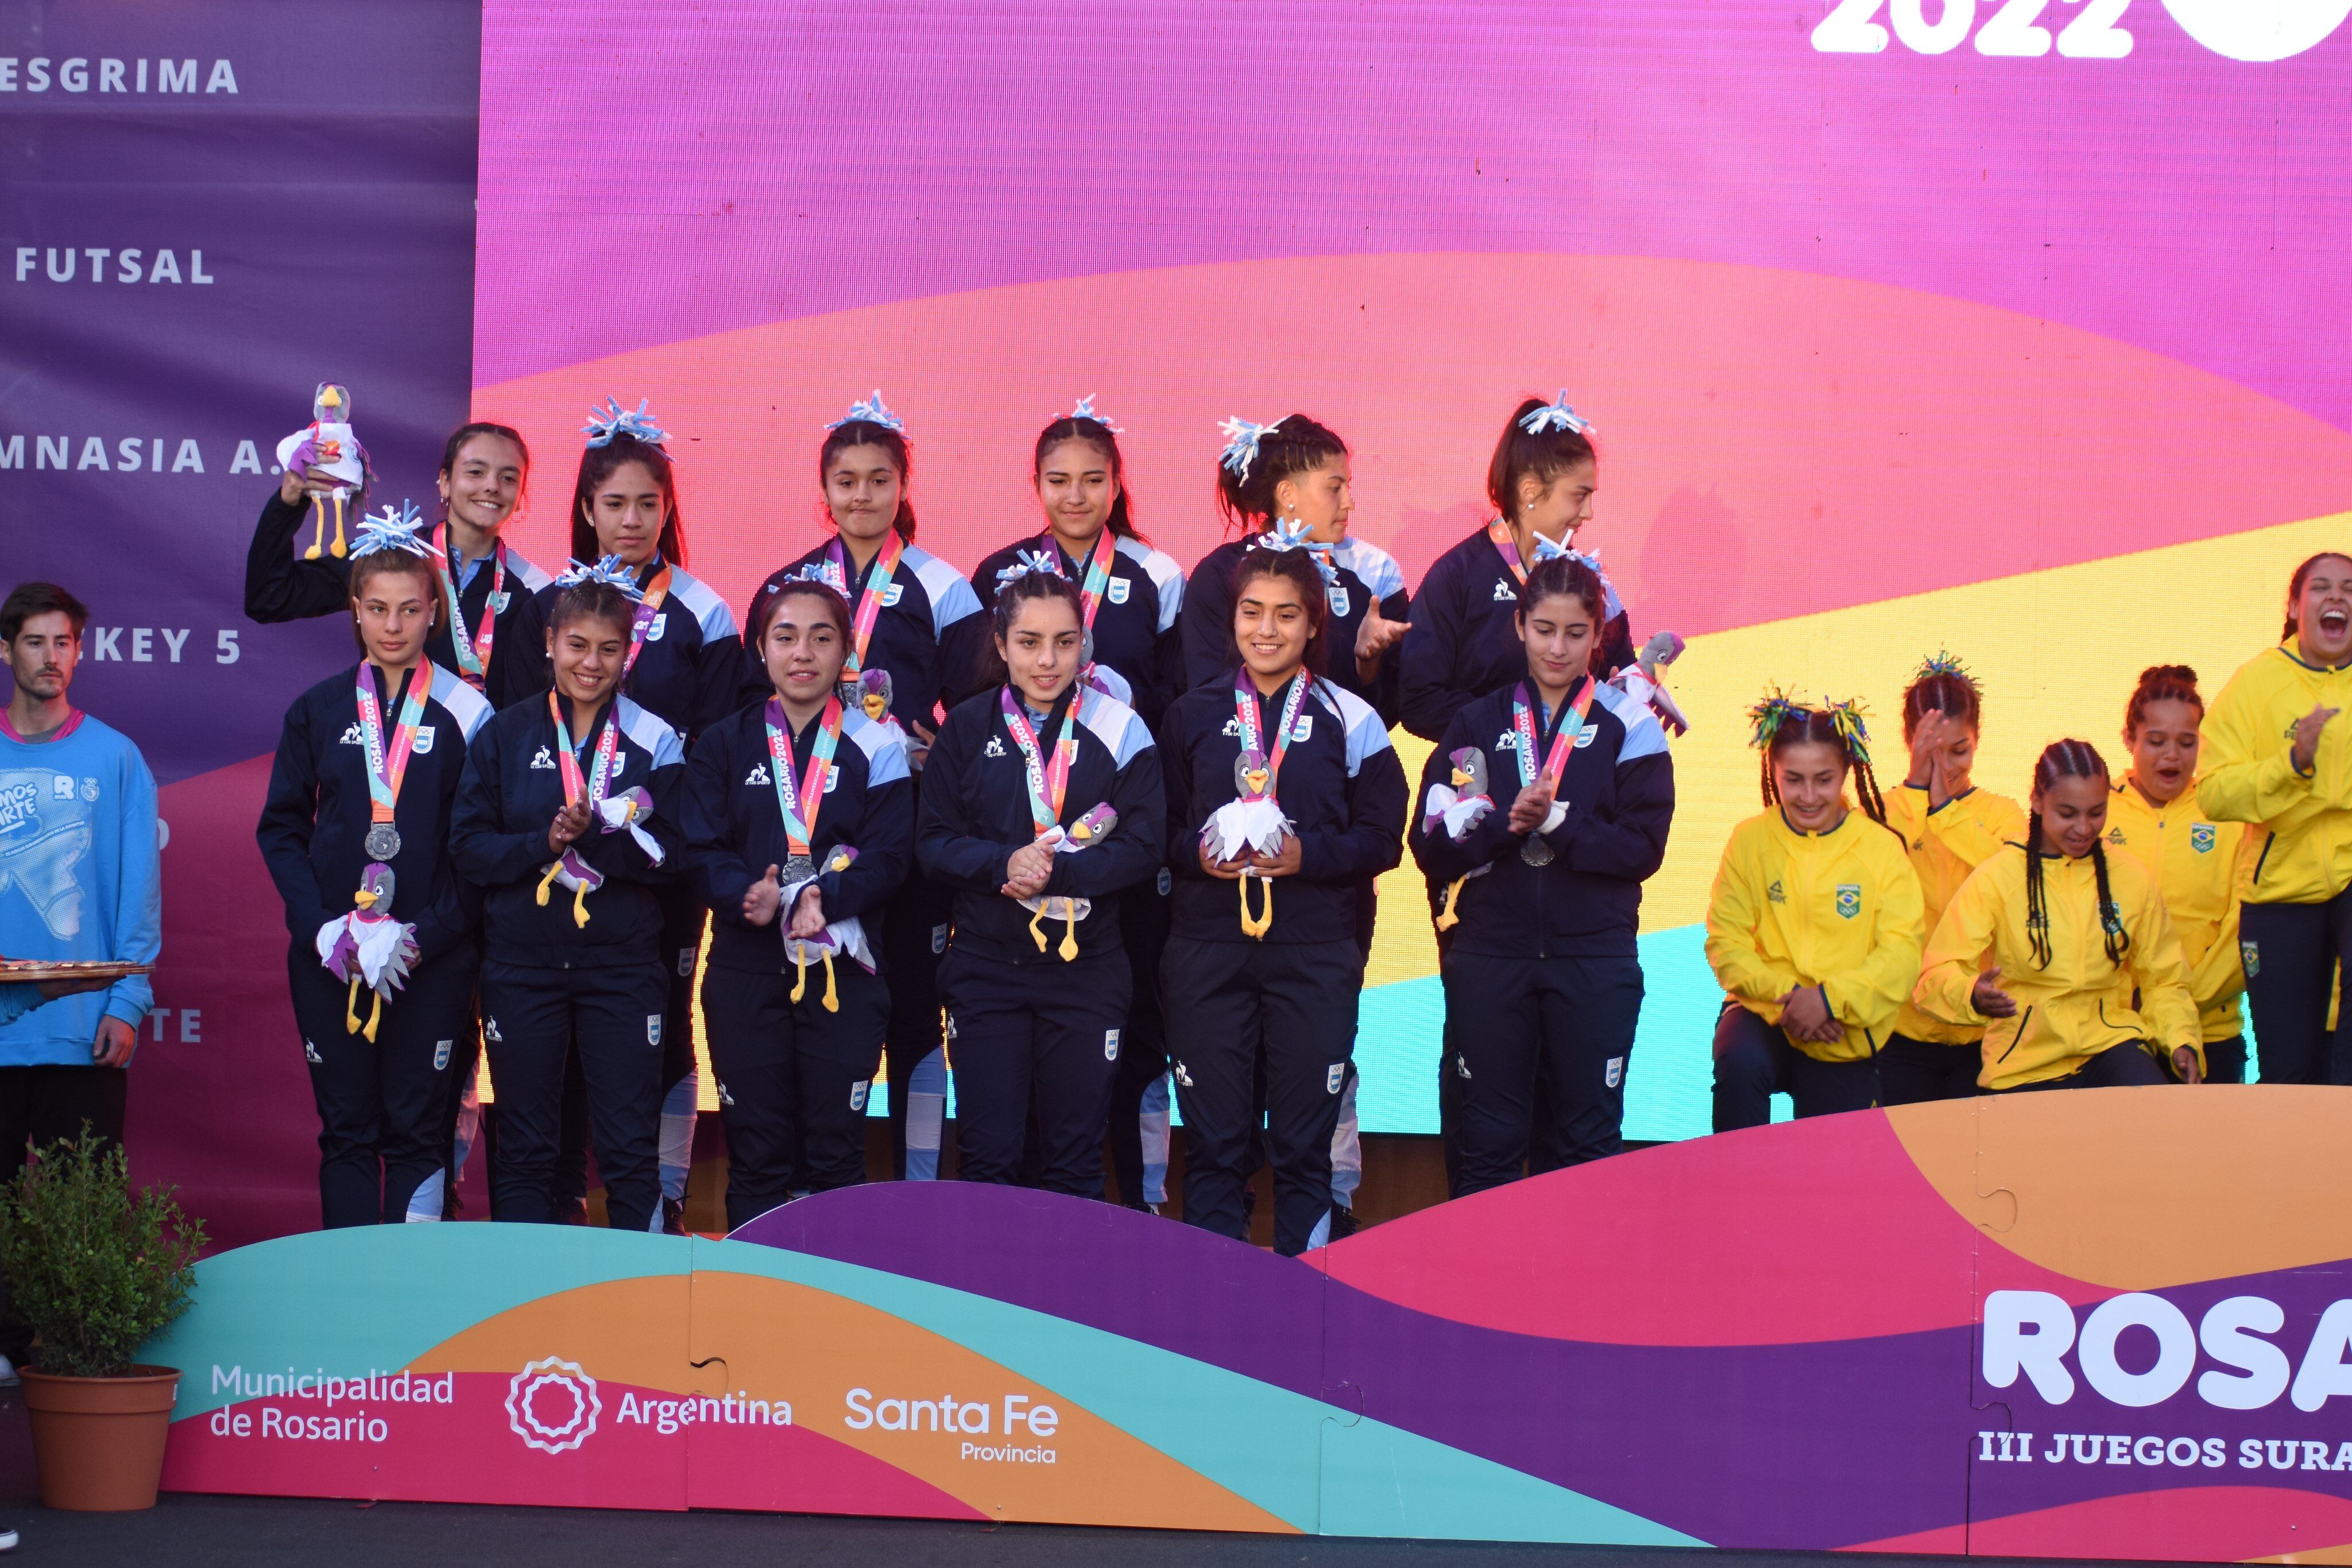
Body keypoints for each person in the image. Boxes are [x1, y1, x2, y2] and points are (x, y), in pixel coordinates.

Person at [506, 398, 757, 1229]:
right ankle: (559, 1200)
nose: (631, 519)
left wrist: (665, 830)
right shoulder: (546, 603)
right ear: (585, 508)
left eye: (648, 503)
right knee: (560, 1042)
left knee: (663, 1035)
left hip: (658, 867)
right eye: (614, 503)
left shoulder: (704, 611)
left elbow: (719, 747)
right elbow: (519, 732)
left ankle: (664, 1197)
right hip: (552, 863)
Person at [749, 393, 984, 1180]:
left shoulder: (944, 588)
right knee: (814, 1013)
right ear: (824, 491)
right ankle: (808, 1193)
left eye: (877, 480)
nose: (861, 496)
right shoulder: (789, 586)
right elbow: (753, 714)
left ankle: (918, 1190)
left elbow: (987, 716)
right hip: (806, 837)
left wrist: (941, 751)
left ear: (902, 484)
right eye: (845, 481)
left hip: (904, 837)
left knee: (918, 1010)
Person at [969, 402, 1186, 1211]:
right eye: (1058, 480)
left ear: (1117, 483)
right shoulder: (999, 572)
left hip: (1111, 828)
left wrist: (1115, 702)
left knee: (1124, 1025)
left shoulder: (1156, 574)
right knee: (1008, 1072)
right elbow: (975, 693)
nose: (1075, 495)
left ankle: (1132, 1207)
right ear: (1036, 484)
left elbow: (1180, 700)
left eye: (1093, 479)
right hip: (1014, 838)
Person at [1158, 548, 1406, 1255]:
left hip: (1314, 954)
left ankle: (1307, 1312)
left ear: (1313, 624)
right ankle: (1211, 1314)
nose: (1266, 630)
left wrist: (1310, 856)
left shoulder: (1350, 717)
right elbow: (1157, 829)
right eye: (1251, 611)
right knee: (1212, 1145)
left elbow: (1384, 836)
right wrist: (1194, 855)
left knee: (1303, 1149)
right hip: (1207, 952)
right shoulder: (1191, 714)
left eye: (1285, 615)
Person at [255, 505, 494, 1226]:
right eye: (378, 609)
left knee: (419, 1132)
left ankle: (413, 1303)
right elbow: (282, 829)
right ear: (355, 612)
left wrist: (423, 935)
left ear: (433, 613)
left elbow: (478, 849)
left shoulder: (468, 712)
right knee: (348, 1132)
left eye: (411, 610)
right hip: (335, 958)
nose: (394, 626)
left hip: (431, 958)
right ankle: (349, 1305)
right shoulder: (319, 709)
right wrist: (319, 929)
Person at [1408, 556, 1672, 1191]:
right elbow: (1429, 842)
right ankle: (1479, 1294)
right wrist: (1506, 826)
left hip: (1593, 959)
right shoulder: (1476, 723)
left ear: (1598, 634)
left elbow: (1643, 848)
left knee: (1585, 1145)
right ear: (1520, 625)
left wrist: (1559, 823)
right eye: (1544, 629)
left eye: (1575, 633)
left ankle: (1580, 1293)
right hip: (1492, 956)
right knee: (1490, 1143)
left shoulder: (1629, 726)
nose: (1558, 648)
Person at [451, 564, 686, 1231]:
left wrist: (601, 842)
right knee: (524, 1150)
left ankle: (646, 1309)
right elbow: (468, 849)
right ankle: (527, 1308)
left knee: (627, 1150)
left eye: (609, 648)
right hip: (522, 970)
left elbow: (677, 857)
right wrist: (544, 843)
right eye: (577, 645)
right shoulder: (504, 733)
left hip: (621, 971)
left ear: (628, 651)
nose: (592, 662)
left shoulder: (655, 738)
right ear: (550, 642)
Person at [916, 571, 1163, 1195]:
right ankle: (982, 1296)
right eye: (1028, 642)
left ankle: (1066, 1296)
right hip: (985, 968)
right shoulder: (967, 729)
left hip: (1086, 970)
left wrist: (1058, 870)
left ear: (1085, 644)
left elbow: (1144, 845)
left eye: (1064, 641)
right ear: (999, 644)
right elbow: (933, 843)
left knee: (1074, 1160)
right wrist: (1004, 864)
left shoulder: (1122, 727)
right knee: (990, 1157)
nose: (1047, 660)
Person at [684, 579, 912, 1228]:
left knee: (836, 1158)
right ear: (760, 648)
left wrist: (823, 894)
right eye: (785, 636)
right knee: (756, 1157)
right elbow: (699, 848)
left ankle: (831, 1318)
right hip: (745, 970)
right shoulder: (724, 743)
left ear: (847, 650)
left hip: (844, 973)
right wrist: (744, 895)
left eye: (822, 636)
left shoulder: (879, 744)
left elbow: (892, 856)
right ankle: (751, 1316)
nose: (803, 652)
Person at [0, 580, 161, 1383]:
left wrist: (128, 1001)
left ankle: (69, 1354)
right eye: (35, 641)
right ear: (7, 650)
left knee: (83, 1205)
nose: (52, 657)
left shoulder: (116, 757)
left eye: (65, 642)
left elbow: (138, 894)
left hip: (81, 1027)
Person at [1915, 740, 2202, 1091]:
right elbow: (1936, 975)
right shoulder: (1999, 877)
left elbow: (2166, 979)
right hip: (2023, 1063)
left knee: (2156, 1115)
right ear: (2037, 801)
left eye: (2096, 812)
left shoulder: (2129, 876)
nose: (2083, 828)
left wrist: (2181, 1040)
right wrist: (1972, 994)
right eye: (2068, 813)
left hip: (2111, 1046)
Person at [1705, 695, 1922, 1129]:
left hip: (1844, 1028)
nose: (1808, 796)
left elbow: (1901, 954)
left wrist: (1827, 1001)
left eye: (1823, 780)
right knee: (1740, 1064)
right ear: (1774, 773)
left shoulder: (1880, 847)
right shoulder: (1749, 840)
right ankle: (1734, 1190)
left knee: (1832, 1176)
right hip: (1764, 1011)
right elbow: (1726, 944)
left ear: (1845, 772)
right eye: (1793, 780)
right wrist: (1793, 1001)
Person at [246, 420, 551, 706]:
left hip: (482, 758)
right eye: (475, 472)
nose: (492, 486)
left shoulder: (534, 590)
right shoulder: (388, 555)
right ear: (445, 482)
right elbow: (270, 598)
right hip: (386, 751)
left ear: (521, 495)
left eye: (508, 478)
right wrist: (288, 502)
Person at [1399, 394, 1638, 745]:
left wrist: (1633, 690)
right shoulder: (1456, 576)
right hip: (1477, 785)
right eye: (1578, 495)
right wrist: (1516, 728)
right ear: (1530, 490)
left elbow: (1622, 674)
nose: (1589, 513)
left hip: (1570, 781)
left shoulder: (1589, 581)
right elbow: (1419, 701)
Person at [2198, 553, 2352, 1085]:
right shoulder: (2257, 683)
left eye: (2350, 589)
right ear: (2294, 606)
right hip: (2280, 892)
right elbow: (2214, 792)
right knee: (2290, 1071)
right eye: (2322, 588)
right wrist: (2291, 766)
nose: (2338, 598)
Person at [1177, 415, 1410, 723]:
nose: (1349, 503)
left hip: (1342, 762)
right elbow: (1205, 701)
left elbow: (1387, 716)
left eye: (1347, 487)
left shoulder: (1374, 575)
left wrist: (1367, 663)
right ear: (1287, 495)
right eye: (1335, 488)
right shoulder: (1219, 576)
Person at [1875, 653, 2025, 1104]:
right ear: (1909, 742)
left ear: (1978, 739)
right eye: (1932, 753)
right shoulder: (1880, 812)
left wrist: (1945, 811)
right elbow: (1877, 875)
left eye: (1959, 751)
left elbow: (2012, 881)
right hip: (1899, 1032)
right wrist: (1917, 796)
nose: (1949, 768)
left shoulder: (2004, 814)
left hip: (1985, 1032)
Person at [2106, 666, 2253, 1083]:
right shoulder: (2098, 810)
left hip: (2212, 1032)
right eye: (2156, 741)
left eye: (2187, 742)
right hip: (2117, 1034)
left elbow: (2243, 923)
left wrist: (2183, 1000)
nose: (2172, 755)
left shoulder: (2226, 812)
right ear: (2129, 739)